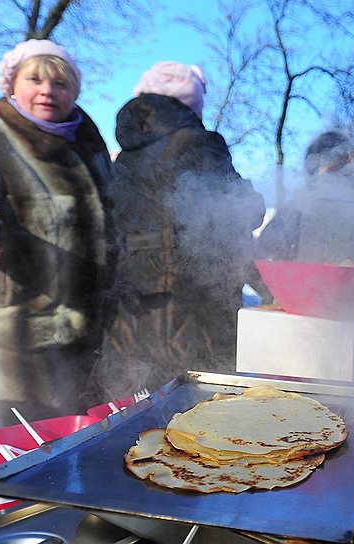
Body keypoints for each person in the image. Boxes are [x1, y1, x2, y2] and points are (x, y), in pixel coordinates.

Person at [0, 40, 114, 425]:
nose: (48, 91)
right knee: (12, 462)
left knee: (77, 455)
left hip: (86, 337)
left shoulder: (90, 150)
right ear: (10, 85)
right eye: (34, 79)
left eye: (61, 83)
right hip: (14, 341)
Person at [94, 61, 265, 401]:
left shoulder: (123, 155)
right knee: (202, 420)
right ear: (192, 103)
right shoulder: (201, 142)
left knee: (137, 420)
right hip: (196, 307)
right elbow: (236, 213)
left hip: (133, 307)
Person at [257, 132, 354, 265]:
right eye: (332, 166)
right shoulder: (300, 203)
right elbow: (262, 253)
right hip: (305, 289)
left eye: (341, 164)